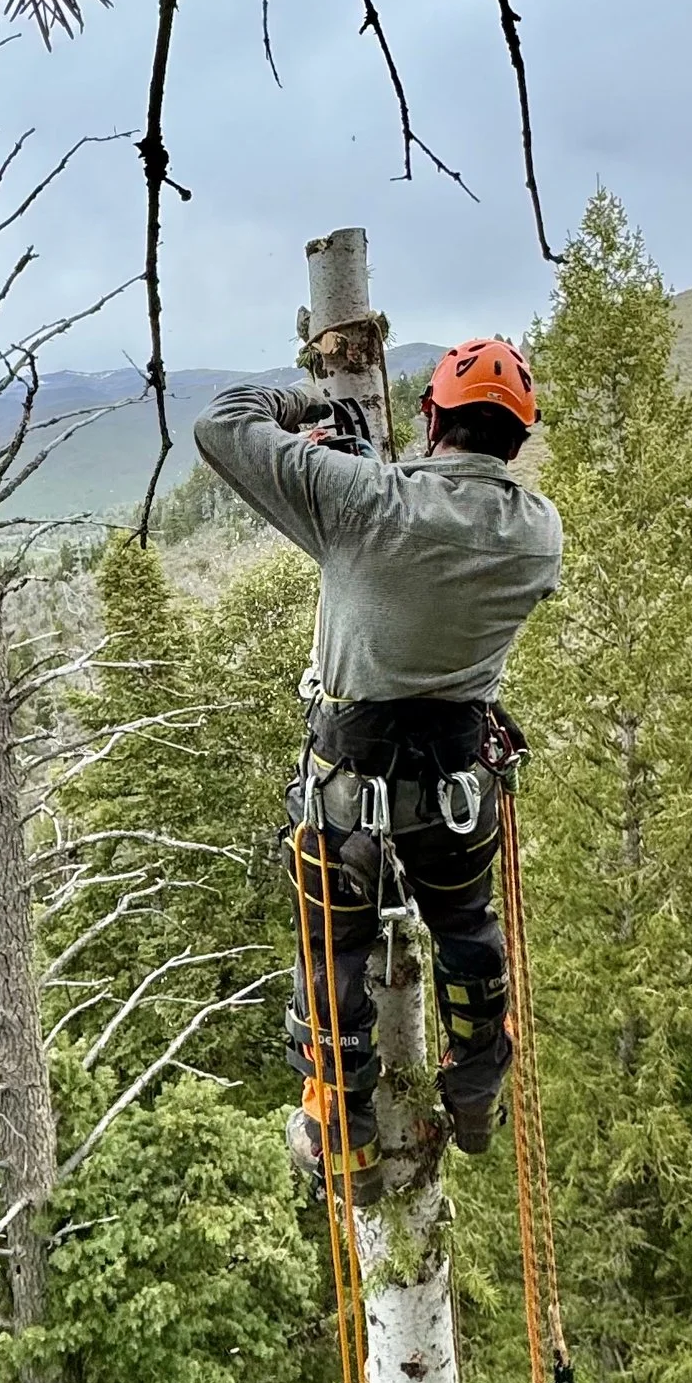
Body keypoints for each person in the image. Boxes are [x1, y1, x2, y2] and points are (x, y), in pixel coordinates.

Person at [193, 338, 562, 1205]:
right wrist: (373, 472)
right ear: (515, 442)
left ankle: (342, 1139)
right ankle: (475, 1093)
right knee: (468, 932)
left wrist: (309, 411)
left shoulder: (360, 504)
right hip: (458, 796)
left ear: (430, 417)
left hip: (345, 797)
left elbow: (222, 427)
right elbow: (443, 514)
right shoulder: (538, 536)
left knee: (333, 960)